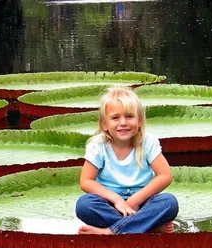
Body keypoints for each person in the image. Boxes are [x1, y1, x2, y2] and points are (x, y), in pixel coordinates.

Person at [75, 86, 179, 235]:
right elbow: (86, 181)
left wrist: (135, 200)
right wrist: (117, 199)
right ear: (104, 124)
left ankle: (111, 231)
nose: (123, 122)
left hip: (143, 202)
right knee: (84, 205)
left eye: (129, 116)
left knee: (169, 202)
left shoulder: (148, 142)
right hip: (110, 204)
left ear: (140, 121)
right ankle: (147, 226)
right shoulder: (98, 146)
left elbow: (165, 176)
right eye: (115, 118)